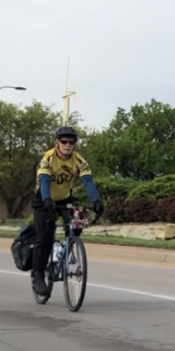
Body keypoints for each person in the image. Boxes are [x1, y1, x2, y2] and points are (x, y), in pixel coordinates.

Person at [30, 126, 103, 295]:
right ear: (57, 142)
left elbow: (88, 182)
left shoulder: (79, 161)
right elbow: (44, 180)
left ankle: (67, 249)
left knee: (76, 224)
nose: (68, 145)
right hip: (43, 199)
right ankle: (38, 274)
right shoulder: (48, 158)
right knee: (44, 238)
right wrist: (47, 199)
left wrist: (96, 200)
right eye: (64, 141)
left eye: (71, 142)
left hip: (64, 199)